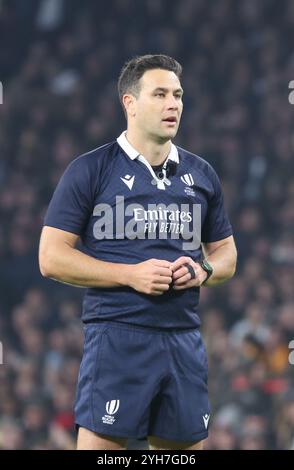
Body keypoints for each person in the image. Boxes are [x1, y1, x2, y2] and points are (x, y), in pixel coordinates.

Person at [39, 54, 237, 451]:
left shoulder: (201, 174)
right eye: (160, 94)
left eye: (178, 95)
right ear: (129, 103)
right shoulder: (90, 169)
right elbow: (51, 257)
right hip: (117, 337)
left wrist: (204, 269)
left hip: (183, 338)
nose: (173, 104)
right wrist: (129, 275)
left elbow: (227, 253)